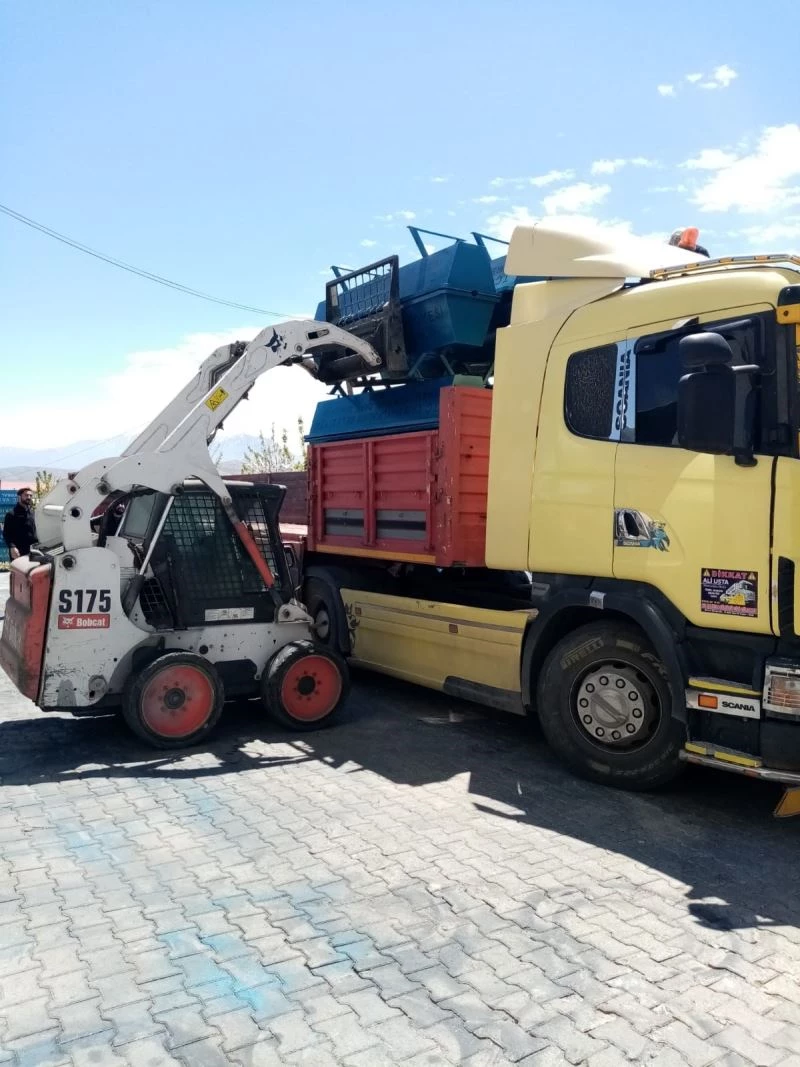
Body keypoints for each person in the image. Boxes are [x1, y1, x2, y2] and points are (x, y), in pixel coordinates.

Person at [3, 487, 37, 560]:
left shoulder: (33, 512)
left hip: (33, 551)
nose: (29, 497)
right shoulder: (11, 514)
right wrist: (12, 547)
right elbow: (6, 533)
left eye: (30, 496)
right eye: (26, 495)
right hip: (18, 552)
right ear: (19, 496)